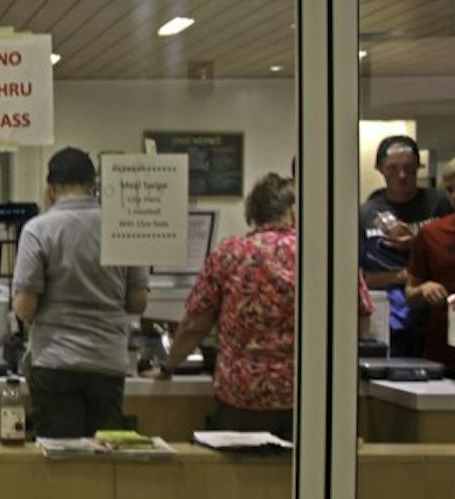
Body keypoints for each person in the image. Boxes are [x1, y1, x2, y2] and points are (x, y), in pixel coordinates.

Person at [156, 174, 372, 440]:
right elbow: (360, 321)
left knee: (243, 479)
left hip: (242, 397)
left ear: (253, 213)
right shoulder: (326, 252)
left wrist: (168, 367)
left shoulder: (230, 253)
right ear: (293, 209)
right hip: (310, 395)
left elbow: (194, 324)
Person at [11, 147, 149, 438]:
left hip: (55, 360)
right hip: (107, 363)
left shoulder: (38, 230)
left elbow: (24, 307)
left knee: (63, 462)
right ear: (92, 184)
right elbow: (138, 302)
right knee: (104, 461)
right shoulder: (122, 227)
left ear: (50, 188)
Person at [360, 135, 451, 357]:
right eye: (393, 168)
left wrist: (417, 244)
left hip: (436, 316)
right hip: (388, 321)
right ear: (381, 169)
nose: (402, 176)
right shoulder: (367, 213)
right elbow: (359, 278)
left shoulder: (441, 204)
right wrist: (402, 276)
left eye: (409, 168)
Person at [406, 152, 455, 371]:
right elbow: (410, 294)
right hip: (445, 353)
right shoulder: (431, 234)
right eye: (450, 190)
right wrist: (425, 288)